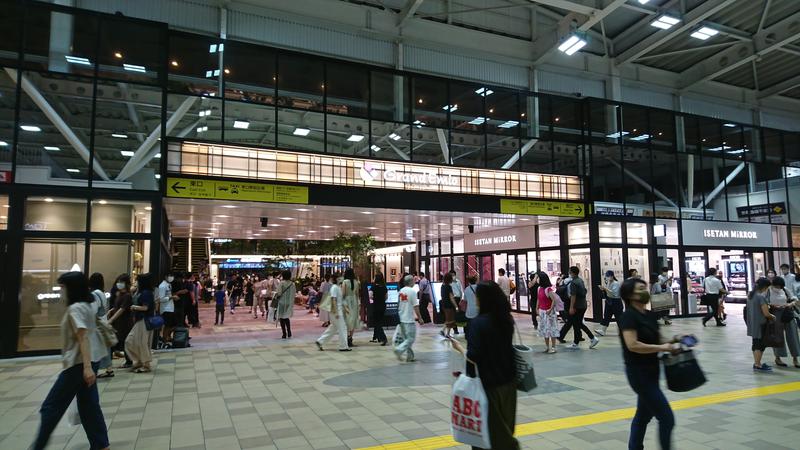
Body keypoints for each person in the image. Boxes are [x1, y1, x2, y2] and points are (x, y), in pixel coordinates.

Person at [32, 271, 110, 450]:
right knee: (89, 406)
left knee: (51, 407)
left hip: (78, 364)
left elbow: (83, 337)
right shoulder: (87, 304)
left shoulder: (76, 308)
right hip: (89, 360)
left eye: (63, 287)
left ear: (71, 288)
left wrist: (87, 368)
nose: (61, 291)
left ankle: (38, 446)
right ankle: (101, 445)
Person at [449, 281, 519, 450]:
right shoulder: (506, 320)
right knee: (505, 429)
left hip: (488, 386)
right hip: (509, 382)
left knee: (489, 436)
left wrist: (459, 349)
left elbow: (474, 356)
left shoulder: (478, 323)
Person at [618, 277, 678, 450]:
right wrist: (662, 347)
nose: (644, 291)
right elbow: (633, 345)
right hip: (638, 374)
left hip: (653, 372)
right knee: (667, 418)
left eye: (645, 287)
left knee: (643, 416)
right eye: (640, 288)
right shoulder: (628, 316)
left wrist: (674, 341)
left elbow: (659, 340)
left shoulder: (650, 315)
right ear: (629, 295)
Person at [559, 266, 599, 349]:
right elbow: (584, 291)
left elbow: (573, 296)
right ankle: (576, 343)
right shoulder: (580, 280)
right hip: (583, 305)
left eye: (569, 272)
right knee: (577, 324)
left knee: (577, 323)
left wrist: (571, 307)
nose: (569, 273)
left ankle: (592, 338)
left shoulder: (573, 283)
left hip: (577, 306)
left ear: (572, 272)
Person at [125, 273, 156, 373]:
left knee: (140, 342)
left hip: (144, 320)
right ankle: (139, 361)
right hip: (140, 319)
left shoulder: (146, 293)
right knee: (133, 341)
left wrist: (134, 307)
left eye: (137, 280)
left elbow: (145, 307)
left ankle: (145, 364)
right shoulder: (141, 291)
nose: (135, 282)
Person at [768, 276, 800, 368]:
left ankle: (795, 358)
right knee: (777, 336)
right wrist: (773, 305)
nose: (778, 288)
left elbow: (795, 299)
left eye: (780, 286)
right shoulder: (768, 291)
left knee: (793, 335)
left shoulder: (785, 290)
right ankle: (778, 358)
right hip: (775, 314)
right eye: (776, 286)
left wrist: (790, 304)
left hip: (787, 313)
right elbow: (764, 302)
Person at [746, 278, 775, 372]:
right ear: (765, 287)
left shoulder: (750, 295)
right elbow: (766, 313)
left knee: (755, 343)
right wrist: (773, 316)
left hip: (753, 323)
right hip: (761, 323)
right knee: (760, 344)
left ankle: (756, 363)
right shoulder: (760, 297)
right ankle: (758, 364)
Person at [89, 273, 114, 379]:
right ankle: (108, 369)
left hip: (98, 324)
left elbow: (94, 310)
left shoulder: (95, 294)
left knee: (100, 348)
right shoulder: (102, 293)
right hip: (103, 322)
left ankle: (104, 369)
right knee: (105, 347)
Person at [316, 274, 350, 351]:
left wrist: (345, 308)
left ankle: (320, 341)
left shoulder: (338, 287)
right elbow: (333, 299)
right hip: (336, 311)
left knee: (333, 328)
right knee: (342, 328)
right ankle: (343, 346)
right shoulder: (334, 288)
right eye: (340, 277)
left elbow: (340, 300)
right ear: (336, 279)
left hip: (337, 311)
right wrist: (336, 311)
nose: (342, 279)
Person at [107, 274, 134, 369]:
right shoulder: (119, 294)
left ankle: (128, 361)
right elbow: (117, 307)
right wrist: (110, 312)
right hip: (118, 322)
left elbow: (122, 309)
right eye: (118, 282)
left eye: (121, 282)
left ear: (126, 283)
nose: (119, 284)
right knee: (120, 341)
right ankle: (126, 360)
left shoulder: (127, 296)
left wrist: (111, 320)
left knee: (123, 341)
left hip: (124, 322)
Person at [394, 275, 422, 362]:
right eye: (413, 280)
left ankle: (410, 356)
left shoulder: (401, 291)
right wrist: (420, 318)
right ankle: (399, 350)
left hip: (401, 318)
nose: (414, 282)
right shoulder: (412, 292)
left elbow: (398, 305)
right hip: (409, 319)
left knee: (406, 338)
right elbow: (416, 306)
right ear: (410, 282)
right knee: (410, 339)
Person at [534, 272, 560, 354]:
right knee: (544, 329)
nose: (537, 280)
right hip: (542, 311)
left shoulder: (548, 289)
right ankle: (547, 346)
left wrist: (550, 309)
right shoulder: (539, 288)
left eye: (538, 278)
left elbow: (554, 299)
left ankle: (553, 347)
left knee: (551, 329)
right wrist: (537, 308)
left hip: (549, 312)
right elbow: (538, 299)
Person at [596, 270, 623, 337]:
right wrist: (603, 289)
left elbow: (614, 293)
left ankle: (622, 331)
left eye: (608, 276)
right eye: (606, 276)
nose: (607, 278)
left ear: (612, 276)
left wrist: (605, 289)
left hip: (616, 302)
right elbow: (608, 293)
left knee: (618, 317)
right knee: (607, 316)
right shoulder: (608, 283)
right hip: (609, 301)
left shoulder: (616, 283)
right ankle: (603, 330)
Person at [157, 272, 178, 348]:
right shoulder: (162, 286)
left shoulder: (168, 285)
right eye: (170, 276)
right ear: (165, 276)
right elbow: (161, 299)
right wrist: (171, 297)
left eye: (172, 276)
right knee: (167, 326)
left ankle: (167, 338)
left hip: (170, 308)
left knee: (171, 325)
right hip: (166, 309)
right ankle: (164, 340)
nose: (171, 277)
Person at [341, 268, 360, 347]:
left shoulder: (344, 282)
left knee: (347, 320)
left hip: (347, 302)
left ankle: (347, 338)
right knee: (353, 319)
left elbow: (343, 294)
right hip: (354, 302)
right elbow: (357, 294)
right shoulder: (356, 282)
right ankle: (350, 338)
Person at [275, 270, 296, 339]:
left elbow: (279, 293)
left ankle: (284, 333)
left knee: (281, 318)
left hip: (282, 302)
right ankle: (289, 331)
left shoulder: (282, 283)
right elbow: (294, 293)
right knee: (286, 317)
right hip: (289, 303)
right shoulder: (292, 284)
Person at [439, 272, 459, 338]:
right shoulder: (448, 287)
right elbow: (451, 298)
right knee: (450, 319)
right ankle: (443, 330)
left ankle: (447, 333)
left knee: (449, 319)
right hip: (449, 305)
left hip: (444, 304)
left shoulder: (442, 286)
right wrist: (456, 306)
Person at [370, 273, 388, 345]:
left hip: (376, 305)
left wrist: (375, 298)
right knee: (379, 321)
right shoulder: (384, 287)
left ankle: (383, 338)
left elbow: (370, 296)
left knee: (377, 323)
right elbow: (386, 297)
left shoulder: (373, 287)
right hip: (383, 305)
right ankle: (376, 337)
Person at [449, 270, 463, 335]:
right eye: (451, 275)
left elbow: (461, 290)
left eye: (453, 275)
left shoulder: (458, 281)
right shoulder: (449, 283)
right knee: (453, 315)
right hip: (452, 300)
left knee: (459, 314)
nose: (453, 276)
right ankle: (455, 329)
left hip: (458, 299)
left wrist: (461, 299)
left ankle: (463, 327)